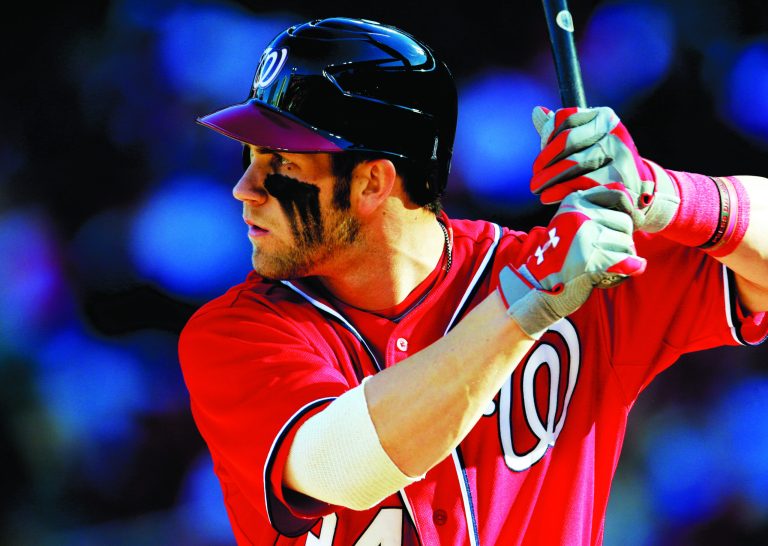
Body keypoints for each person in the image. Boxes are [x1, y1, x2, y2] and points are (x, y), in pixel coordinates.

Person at [178, 17, 768, 545]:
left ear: (372, 185)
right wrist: (528, 304)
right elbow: (346, 466)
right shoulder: (234, 332)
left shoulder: (569, 273)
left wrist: (654, 194)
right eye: (252, 158)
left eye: (280, 165)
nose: (245, 189)